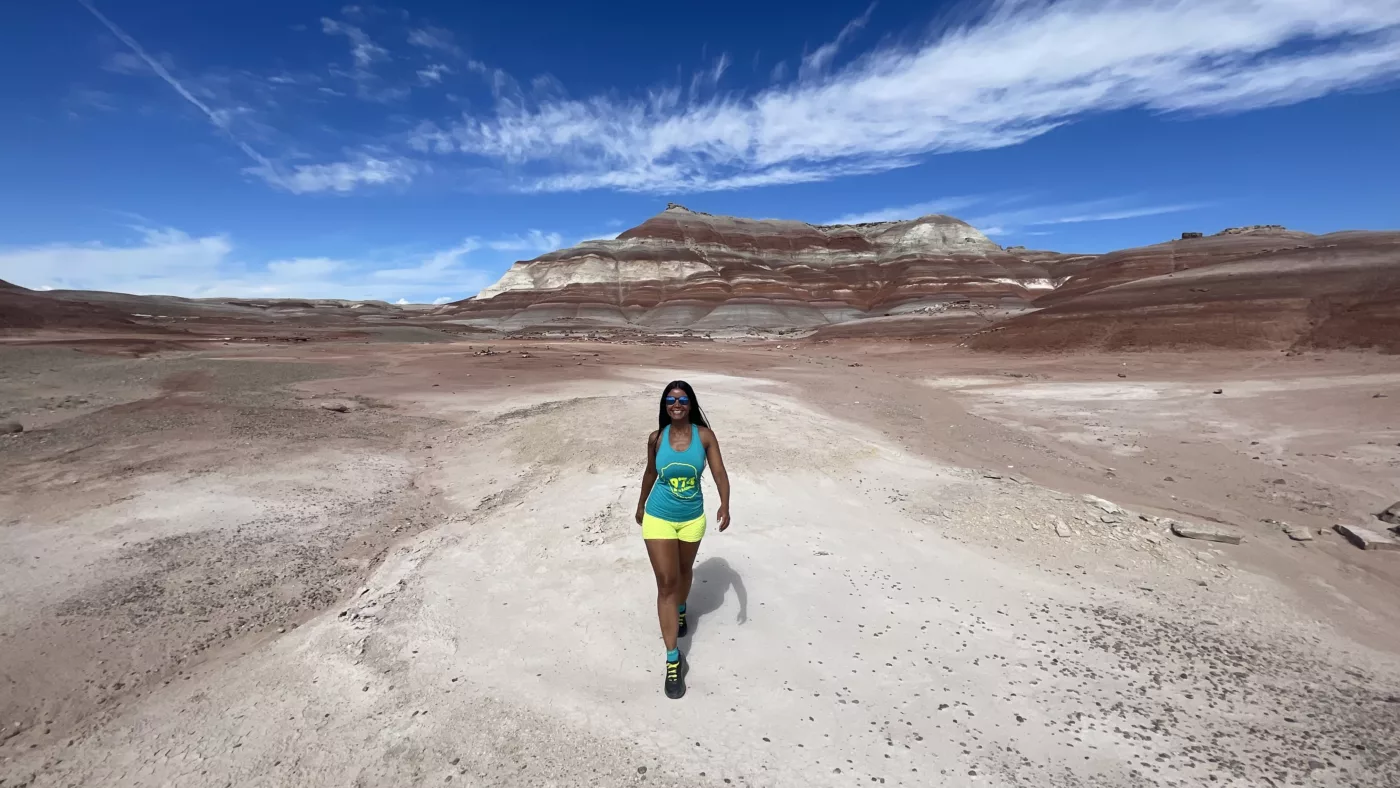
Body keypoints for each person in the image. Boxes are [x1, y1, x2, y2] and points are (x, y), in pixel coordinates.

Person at [635, 380, 731, 699]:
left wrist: (725, 504)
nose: (677, 404)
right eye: (671, 399)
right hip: (659, 515)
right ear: (664, 405)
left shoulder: (704, 437)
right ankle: (673, 659)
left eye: (683, 399)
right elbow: (651, 472)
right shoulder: (656, 438)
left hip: (691, 518)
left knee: (685, 573)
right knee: (666, 582)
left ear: (691, 404)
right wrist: (640, 505)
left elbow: (719, 472)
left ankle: (681, 609)